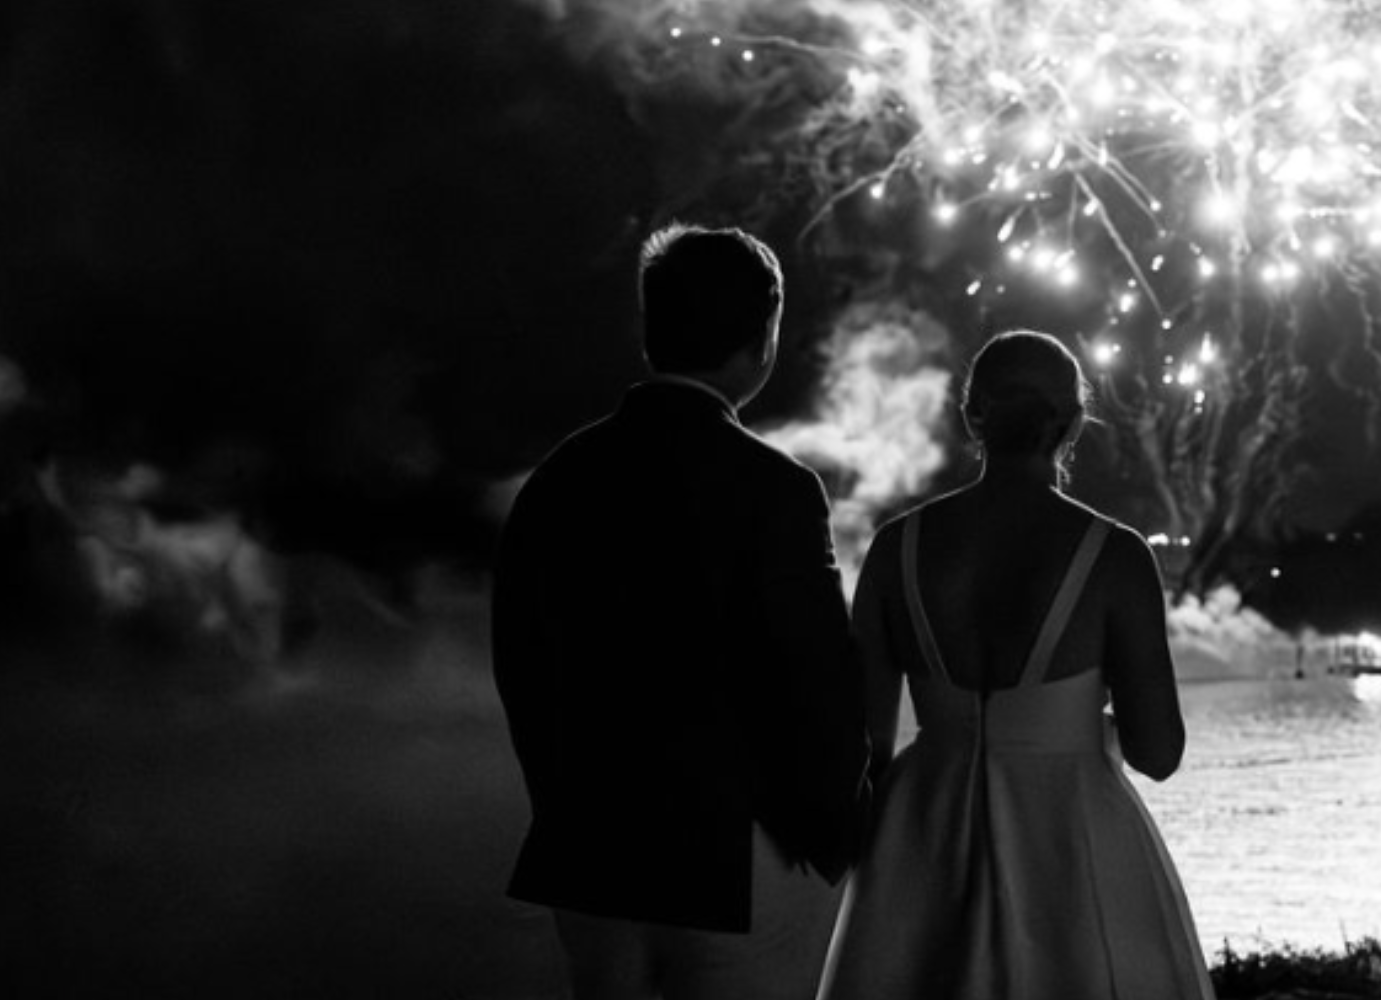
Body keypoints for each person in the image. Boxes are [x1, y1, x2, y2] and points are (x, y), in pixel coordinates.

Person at [492, 223, 869, 1000]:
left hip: (588, 845)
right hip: (734, 852)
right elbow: (817, 680)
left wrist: (560, 802)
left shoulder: (561, 477)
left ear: (652, 328)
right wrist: (834, 832)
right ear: (762, 340)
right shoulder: (776, 489)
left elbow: (520, 660)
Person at [818, 330, 1215, 1000]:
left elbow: (864, 748)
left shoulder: (895, 550)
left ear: (972, 416)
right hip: (1070, 837)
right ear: (1074, 423)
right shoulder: (1115, 556)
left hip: (925, 838)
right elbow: (1159, 753)